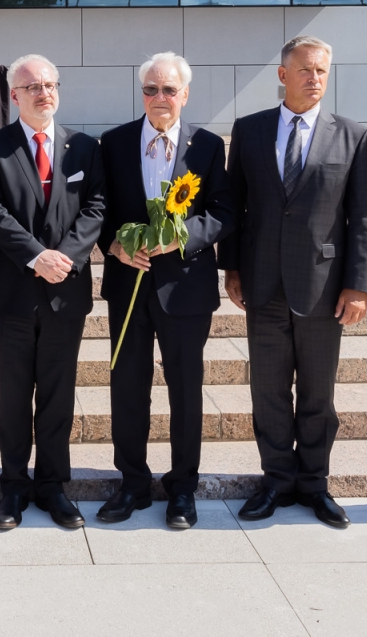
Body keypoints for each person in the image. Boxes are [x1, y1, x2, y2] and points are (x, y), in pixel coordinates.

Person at [219, 35, 367, 529]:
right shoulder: (249, 130)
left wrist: (360, 285)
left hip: (325, 286)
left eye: (322, 72)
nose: (314, 79)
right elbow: (234, 207)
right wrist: (233, 268)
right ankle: (276, 481)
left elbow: (364, 218)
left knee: (317, 394)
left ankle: (314, 484)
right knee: (267, 390)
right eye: (305, 70)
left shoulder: (353, 135)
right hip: (263, 284)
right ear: (283, 75)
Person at [95, 53, 233, 530]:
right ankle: (132, 482)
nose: (160, 99)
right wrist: (112, 244)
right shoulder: (111, 143)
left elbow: (222, 211)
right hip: (128, 286)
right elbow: (97, 207)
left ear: (185, 94)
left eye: (169, 90)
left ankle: (182, 488)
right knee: (127, 388)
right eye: (151, 90)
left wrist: (186, 237)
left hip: (186, 289)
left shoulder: (209, 146)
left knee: (185, 390)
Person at [0, 53, 106, 530]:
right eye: (32, 87)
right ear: (14, 96)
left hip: (65, 291)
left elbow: (96, 206)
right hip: (11, 291)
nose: (43, 93)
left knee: (58, 392)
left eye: (50, 84)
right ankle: (12, 486)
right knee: (13, 395)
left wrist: (65, 257)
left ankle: (53, 485)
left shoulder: (85, 147)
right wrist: (36, 256)